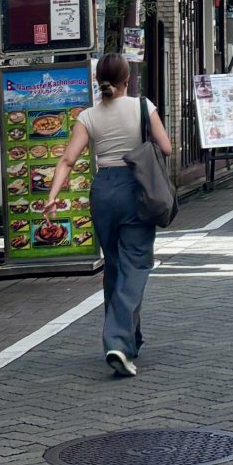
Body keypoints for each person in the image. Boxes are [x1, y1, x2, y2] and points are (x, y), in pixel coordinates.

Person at [45, 52, 175, 378]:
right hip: (136, 188)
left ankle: (130, 339)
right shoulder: (143, 107)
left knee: (115, 266)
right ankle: (117, 340)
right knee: (135, 266)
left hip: (103, 191)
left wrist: (52, 197)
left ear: (98, 80)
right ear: (126, 79)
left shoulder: (88, 116)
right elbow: (167, 147)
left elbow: (68, 160)